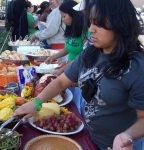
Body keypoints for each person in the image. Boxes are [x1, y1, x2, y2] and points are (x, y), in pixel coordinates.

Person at [13, 0, 144, 149]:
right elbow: (62, 82)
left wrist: (127, 135)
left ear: (120, 24)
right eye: (91, 22)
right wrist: (36, 103)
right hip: (89, 136)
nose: (91, 29)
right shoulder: (91, 52)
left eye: (99, 23)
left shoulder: (136, 67)